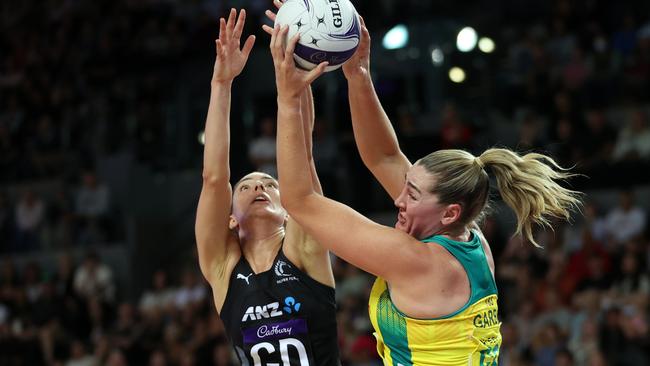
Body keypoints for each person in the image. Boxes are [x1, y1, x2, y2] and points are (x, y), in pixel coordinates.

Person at [270, 19, 582, 365]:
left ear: (449, 212)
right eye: (406, 187)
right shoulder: (469, 238)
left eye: (413, 195)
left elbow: (299, 201)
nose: (399, 200)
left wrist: (287, 98)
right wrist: (358, 75)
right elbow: (384, 156)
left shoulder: (419, 262)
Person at [195, 8, 339, 365]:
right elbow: (214, 179)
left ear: (288, 209)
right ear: (231, 218)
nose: (259, 186)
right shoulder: (222, 267)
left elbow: (303, 159)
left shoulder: (304, 249)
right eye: (245, 187)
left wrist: (295, 78)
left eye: (270, 184)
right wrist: (221, 83)